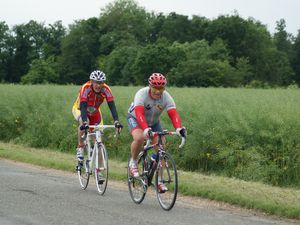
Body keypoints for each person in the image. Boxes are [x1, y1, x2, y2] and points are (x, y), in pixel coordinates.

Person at [126, 72, 186, 193]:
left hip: (153, 122)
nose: (158, 91)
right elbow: (139, 113)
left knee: (161, 149)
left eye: (161, 88)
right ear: (150, 86)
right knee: (139, 138)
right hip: (136, 119)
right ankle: (133, 162)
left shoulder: (166, 97)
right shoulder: (141, 94)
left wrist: (179, 128)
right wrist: (145, 129)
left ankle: (159, 181)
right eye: (155, 88)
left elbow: (173, 114)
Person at [72, 70, 123, 162]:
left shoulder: (106, 89)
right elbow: (83, 106)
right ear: (91, 81)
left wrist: (116, 121)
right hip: (80, 109)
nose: (99, 85)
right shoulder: (85, 87)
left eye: (101, 83)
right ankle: (80, 147)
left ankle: (98, 171)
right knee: (85, 123)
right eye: (96, 83)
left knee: (98, 136)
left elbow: (112, 106)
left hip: (94, 111)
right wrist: (84, 122)